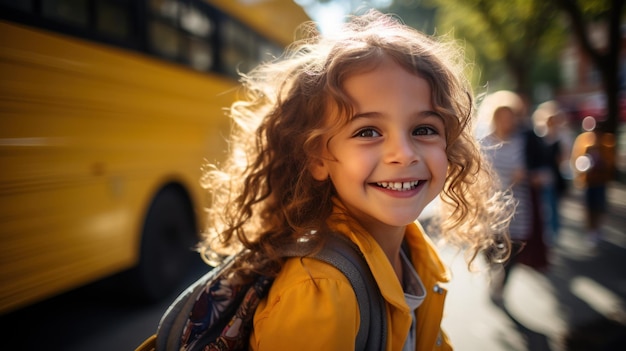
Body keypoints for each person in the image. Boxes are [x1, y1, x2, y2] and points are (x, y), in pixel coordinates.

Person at [198, 10, 513, 351]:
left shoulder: (411, 249)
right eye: (368, 131)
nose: (404, 153)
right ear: (317, 157)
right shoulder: (319, 292)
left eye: (424, 129)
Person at [479, 91, 536, 306]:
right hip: (490, 205)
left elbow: (538, 166)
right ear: (493, 117)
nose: (506, 121)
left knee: (515, 248)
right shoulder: (483, 142)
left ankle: (502, 284)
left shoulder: (523, 142)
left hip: (518, 204)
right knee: (488, 247)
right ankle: (493, 272)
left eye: (510, 116)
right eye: (501, 116)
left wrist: (526, 174)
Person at [570, 116, 616, 247]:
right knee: (588, 207)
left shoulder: (608, 142)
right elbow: (576, 158)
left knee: (600, 206)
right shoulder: (583, 140)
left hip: (601, 181)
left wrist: (602, 162)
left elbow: (611, 162)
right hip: (588, 181)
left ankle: (597, 228)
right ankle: (590, 230)